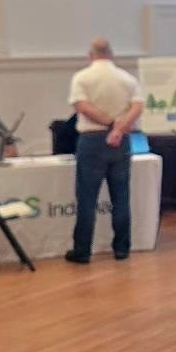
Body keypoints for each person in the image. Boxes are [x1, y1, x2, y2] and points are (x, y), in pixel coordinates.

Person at [65, 37, 143, 264]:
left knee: (87, 198)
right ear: (111, 54)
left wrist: (110, 124)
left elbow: (82, 106)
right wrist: (120, 127)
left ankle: (82, 251)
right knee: (121, 196)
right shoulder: (127, 78)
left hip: (92, 140)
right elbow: (137, 106)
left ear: (91, 55)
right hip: (122, 141)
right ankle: (121, 248)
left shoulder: (82, 77)